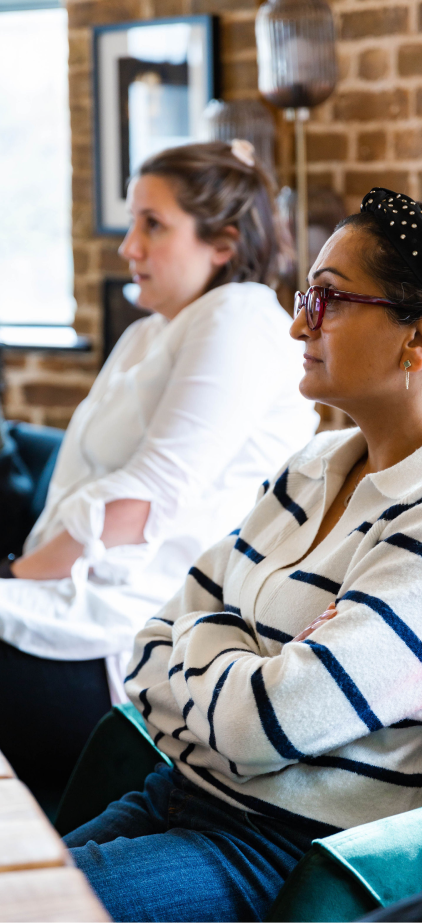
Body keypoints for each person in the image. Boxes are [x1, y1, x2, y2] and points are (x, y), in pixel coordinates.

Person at [65, 187, 422, 923]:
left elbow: (261, 723)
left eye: (327, 299)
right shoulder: (312, 464)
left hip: (281, 848)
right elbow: (149, 642)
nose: (296, 325)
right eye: (305, 294)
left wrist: (216, 657)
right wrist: (233, 682)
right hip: (180, 790)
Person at [0, 141, 317, 801]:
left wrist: (15, 572)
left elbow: (143, 503)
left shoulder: (238, 319)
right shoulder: (153, 329)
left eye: (153, 224)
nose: (128, 246)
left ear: (223, 243)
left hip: (119, 634)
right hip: (65, 599)